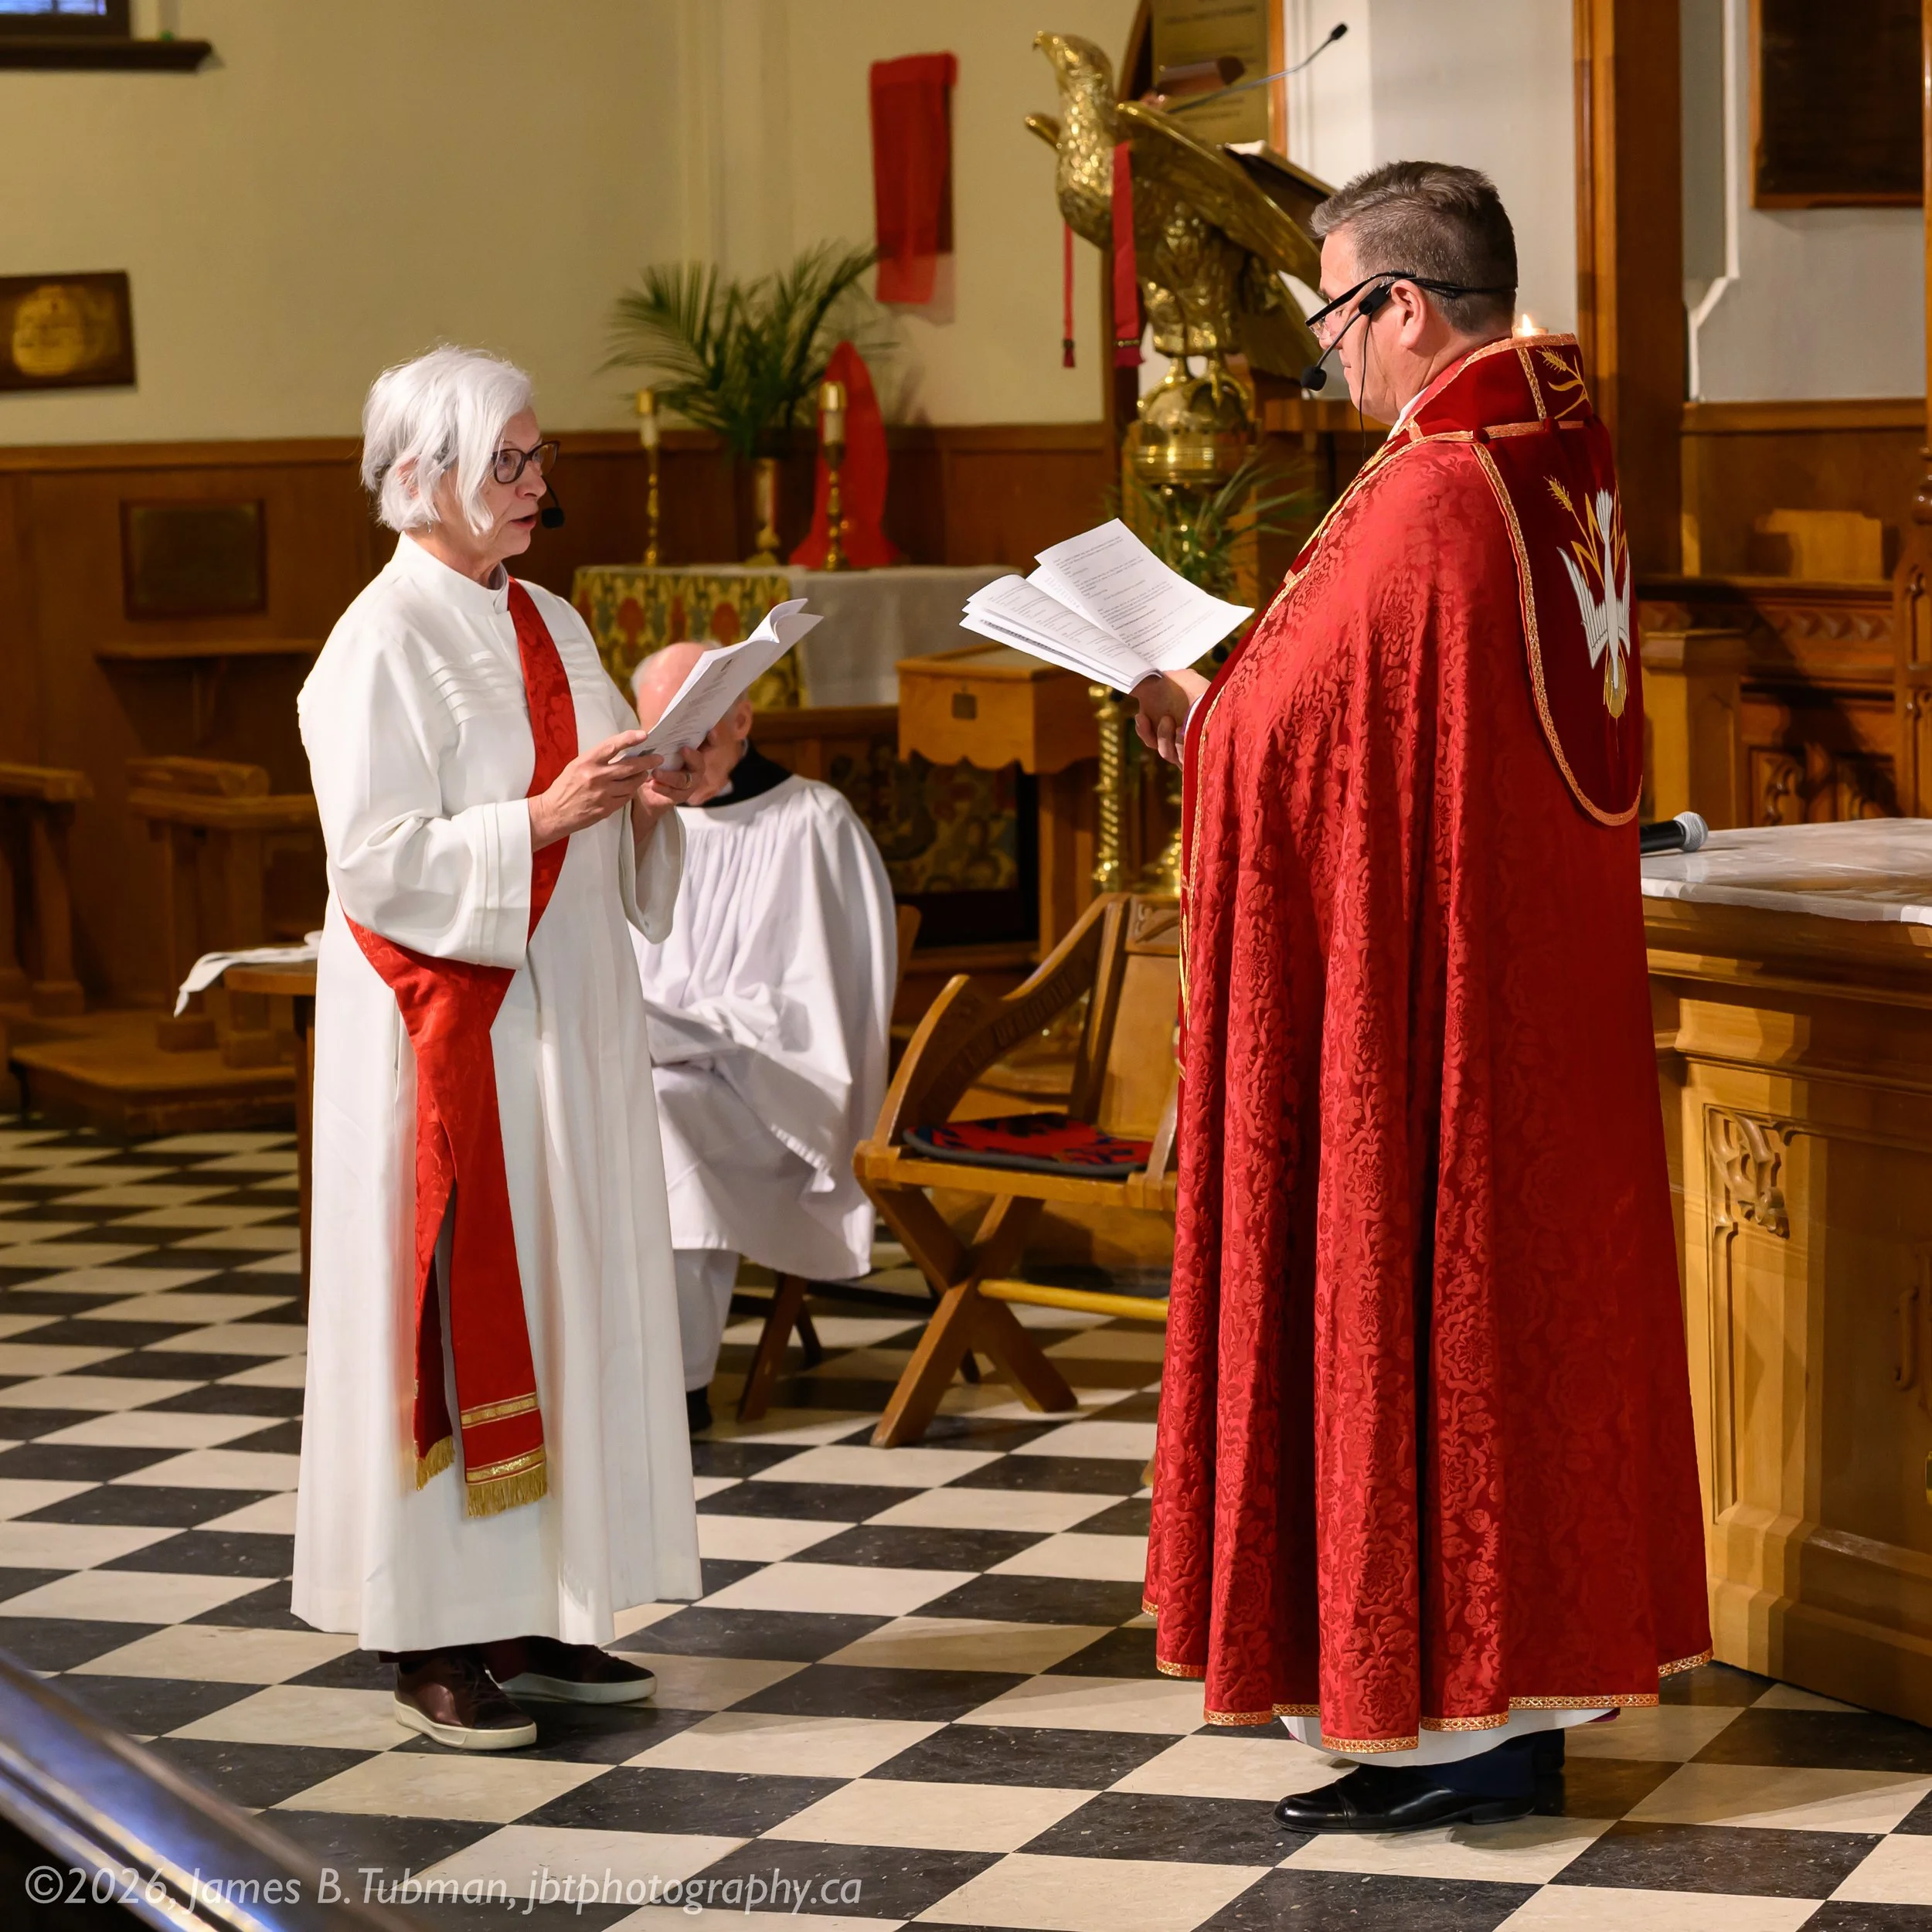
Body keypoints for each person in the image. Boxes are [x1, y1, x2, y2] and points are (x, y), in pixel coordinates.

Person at [1135, 163, 1711, 1832]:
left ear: (1401, 304)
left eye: (1331, 315)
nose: (1324, 356)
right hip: (1529, 1001)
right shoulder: (1557, 463)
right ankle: (1497, 1709)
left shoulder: (1435, 491)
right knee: (1505, 1342)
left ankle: (1450, 1721)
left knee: (1428, 1317)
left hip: (1432, 1020)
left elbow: (1286, 738)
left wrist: (1190, 710)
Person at [292, 346, 703, 1751]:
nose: (539, 485)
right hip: (451, 1034)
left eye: (538, 458)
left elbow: (592, 794)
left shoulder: (553, 619)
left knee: (568, 1295)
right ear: (423, 482)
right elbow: (374, 861)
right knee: (459, 1324)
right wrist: (542, 818)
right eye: (509, 463)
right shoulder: (378, 641)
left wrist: (651, 790)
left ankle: (540, 1609)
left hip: (566, 1019)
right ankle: (431, 1639)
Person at [629, 645, 897, 1431]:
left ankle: (673, 1388)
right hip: (668, 1061)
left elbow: (818, 1008)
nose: (678, 762)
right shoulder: (638, 824)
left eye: (697, 738)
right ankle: (581, 1366)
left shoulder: (811, 822)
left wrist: (700, 1034)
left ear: (742, 716)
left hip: (774, 1091)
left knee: (661, 1113)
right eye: (660, 742)